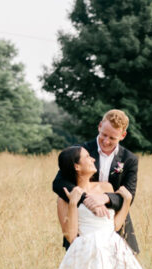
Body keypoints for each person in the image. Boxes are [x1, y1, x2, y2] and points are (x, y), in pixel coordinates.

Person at [52, 109, 140, 254]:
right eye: (104, 135)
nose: (106, 141)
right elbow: (58, 182)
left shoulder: (129, 159)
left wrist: (105, 197)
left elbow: (129, 194)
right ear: (99, 126)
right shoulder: (82, 151)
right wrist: (86, 199)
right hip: (82, 223)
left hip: (113, 223)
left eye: (112, 138)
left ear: (123, 135)